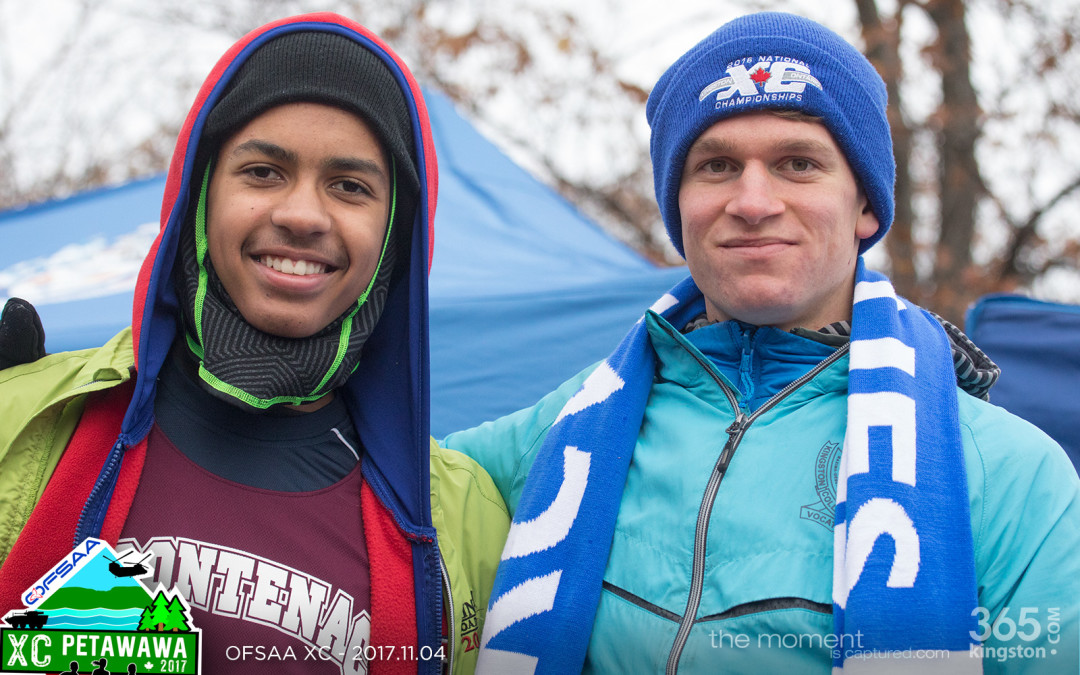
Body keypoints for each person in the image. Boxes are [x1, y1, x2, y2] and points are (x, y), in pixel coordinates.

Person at [441, 11, 1080, 674]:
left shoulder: (1010, 474)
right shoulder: (567, 423)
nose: (751, 201)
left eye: (797, 163)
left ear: (865, 206)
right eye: (716, 165)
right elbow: (373, 483)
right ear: (677, 206)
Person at [0, 13, 508, 675]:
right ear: (199, 197)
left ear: (398, 235)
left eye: (350, 186)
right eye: (264, 171)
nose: (301, 214)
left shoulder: (468, 522)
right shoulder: (23, 419)